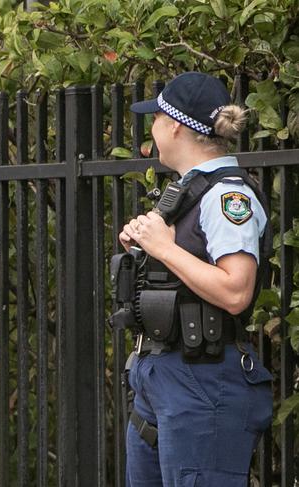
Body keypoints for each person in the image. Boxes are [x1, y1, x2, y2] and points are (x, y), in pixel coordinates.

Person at [117, 72, 273, 486]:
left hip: (202, 380)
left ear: (175, 126)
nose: (150, 130)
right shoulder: (189, 191)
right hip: (165, 376)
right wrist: (146, 247)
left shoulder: (227, 196)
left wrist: (165, 248)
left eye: (155, 119)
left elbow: (236, 290)